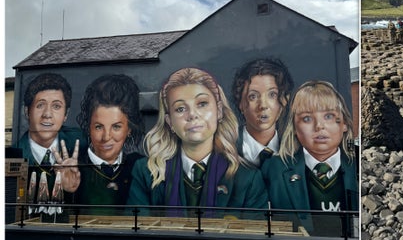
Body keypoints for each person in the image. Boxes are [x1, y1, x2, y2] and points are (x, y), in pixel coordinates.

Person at [127, 68, 267, 216]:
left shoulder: (248, 178)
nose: (192, 115)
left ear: (219, 111)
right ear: (170, 122)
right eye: (180, 109)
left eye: (202, 104)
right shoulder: (146, 172)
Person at [261, 81, 358, 236]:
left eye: (329, 116)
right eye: (307, 119)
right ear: (294, 127)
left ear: (345, 123)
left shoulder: (360, 164)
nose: (319, 126)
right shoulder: (274, 169)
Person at [16, 73, 86, 218]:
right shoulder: (15, 155)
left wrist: (71, 189)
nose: (47, 114)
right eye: (40, 105)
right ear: (26, 111)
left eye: (56, 106)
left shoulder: (83, 142)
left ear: (66, 114)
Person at [73, 74, 145, 213]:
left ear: (129, 129)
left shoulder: (139, 167)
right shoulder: (71, 166)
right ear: (88, 127)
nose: (106, 137)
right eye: (98, 127)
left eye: (116, 127)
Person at [232, 58, 294, 167]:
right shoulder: (225, 150)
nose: (263, 105)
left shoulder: (296, 150)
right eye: (253, 96)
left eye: (272, 95)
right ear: (240, 103)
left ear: (284, 100)